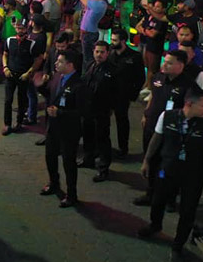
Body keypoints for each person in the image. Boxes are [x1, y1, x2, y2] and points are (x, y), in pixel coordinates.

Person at [137, 87, 203, 262]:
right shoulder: (167, 116)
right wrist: (147, 161)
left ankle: (177, 246)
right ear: (189, 104)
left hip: (192, 175)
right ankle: (155, 225)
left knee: (188, 212)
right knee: (157, 200)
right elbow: (156, 140)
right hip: (166, 170)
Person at [134, 51, 195, 207]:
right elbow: (153, 97)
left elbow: (189, 110)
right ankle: (151, 193)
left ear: (180, 65)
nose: (164, 65)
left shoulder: (188, 85)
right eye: (164, 61)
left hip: (171, 131)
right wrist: (146, 114)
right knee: (151, 161)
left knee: (168, 165)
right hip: (152, 125)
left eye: (169, 63)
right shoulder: (158, 78)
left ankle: (169, 198)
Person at [41, 50, 87, 208]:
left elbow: (82, 112)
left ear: (70, 65)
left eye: (60, 62)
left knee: (69, 163)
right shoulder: (56, 77)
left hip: (68, 130)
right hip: (53, 128)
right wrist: (40, 86)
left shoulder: (79, 85)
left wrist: (60, 112)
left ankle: (72, 194)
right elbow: (50, 95)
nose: (56, 64)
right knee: (50, 157)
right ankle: (54, 183)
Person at [2, 17, 45, 136]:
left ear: (26, 29)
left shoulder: (32, 44)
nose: (19, 30)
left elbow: (39, 59)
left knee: (22, 100)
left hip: (23, 77)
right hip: (10, 74)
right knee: (8, 100)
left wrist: (29, 73)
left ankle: (19, 122)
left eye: (22, 28)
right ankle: (7, 124)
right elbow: (5, 54)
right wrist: (5, 67)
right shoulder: (10, 40)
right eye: (17, 27)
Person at [80, 41, 116, 182]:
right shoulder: (90, 65)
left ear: (107, 53)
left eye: (102, 52)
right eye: (97, 51)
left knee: (102, 140)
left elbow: (115, 93)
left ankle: (103, 168)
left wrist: (110, 108)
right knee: (87, 135)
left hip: (101, 110)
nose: (99, 55)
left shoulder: (112, 70)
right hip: (87, 108)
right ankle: (88, 159)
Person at [108, 29, 145, 158]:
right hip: (109, 93)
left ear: (123, 41)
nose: (112, 42)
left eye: (115, 40)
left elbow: (140, 78)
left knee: (122, 121)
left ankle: (123, 148)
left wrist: (132, 95)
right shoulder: (110, 55)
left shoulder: (134, 57)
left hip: (123, 95)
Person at [74, 0, 108, 73]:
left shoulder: (98, 4)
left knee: (87, 58)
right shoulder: (100, 2)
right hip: (88, 33)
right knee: (86, 56)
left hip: (89, 34)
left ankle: (87, 76)